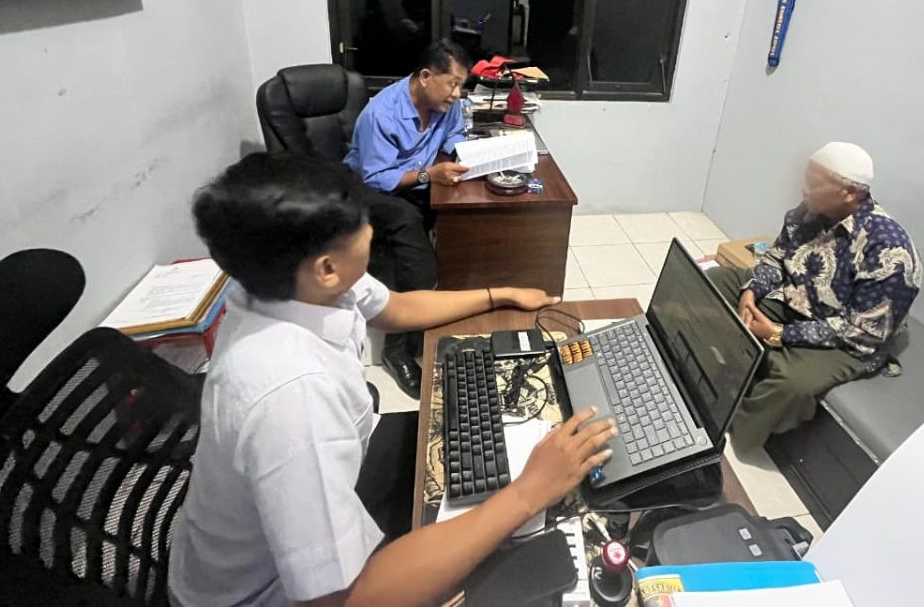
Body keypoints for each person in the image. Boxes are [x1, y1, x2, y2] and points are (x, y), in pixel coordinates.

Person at [169, 153, 616, 607]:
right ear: (326, 267)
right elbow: (344, 599)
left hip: (328, 502)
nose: (371, 229)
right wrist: (529, 492)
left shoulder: (290, 283)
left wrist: (498, 294)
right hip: (270, 595)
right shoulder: (293, 397)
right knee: (528, 562)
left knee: (471, 439)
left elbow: (396, 307)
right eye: (362, 224)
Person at [708, 142, 922, 453]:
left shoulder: (889, 251)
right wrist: (751, 291)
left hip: (847, 337)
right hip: (795, 298)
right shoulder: (808, 212)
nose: (803, 188)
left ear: (849, 192)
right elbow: (776, 258)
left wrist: (780, 333)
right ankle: (700, 364)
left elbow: (862, 331)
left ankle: (732, 432)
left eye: (812, 182)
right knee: (713, 281)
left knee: (793, 384)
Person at [344, 39, 472, 397]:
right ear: (426, 77)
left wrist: (467, 157)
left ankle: (433, 320)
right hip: (370, 188)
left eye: (461, 85)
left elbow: (455, 135)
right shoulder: (381, 113)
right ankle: (397, 348)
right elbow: (376, 177)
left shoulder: (445, 104)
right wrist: (431, 174)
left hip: (415, 181)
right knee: (409, 237)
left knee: (459, 217)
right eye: (452, 84)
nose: (457, 94)